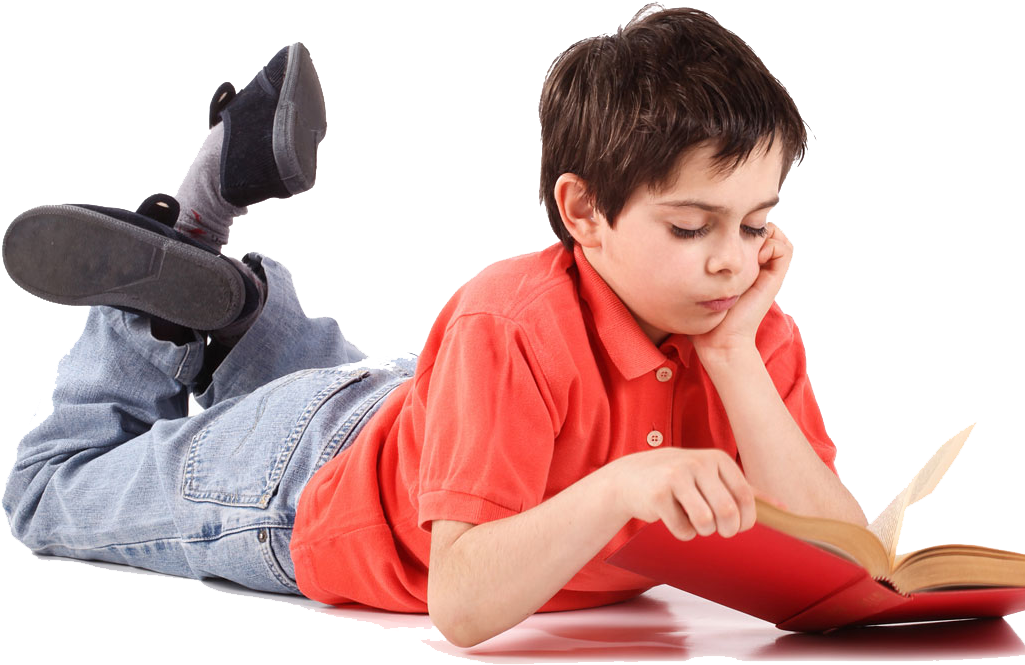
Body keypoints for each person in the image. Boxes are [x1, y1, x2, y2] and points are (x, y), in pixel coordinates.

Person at [3, 6, 867, 648]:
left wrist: (731, 358)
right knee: (47, 494)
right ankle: (181, 244)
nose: (732, 260)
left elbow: (852, 566)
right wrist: (618, 488)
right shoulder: (511, 324)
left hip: (416, 408)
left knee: (383, 400)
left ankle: (235, 305)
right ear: (583, 211)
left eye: (755, 222)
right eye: (691, 227)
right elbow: (458, 603)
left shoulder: (745, 327)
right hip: (299, 488)